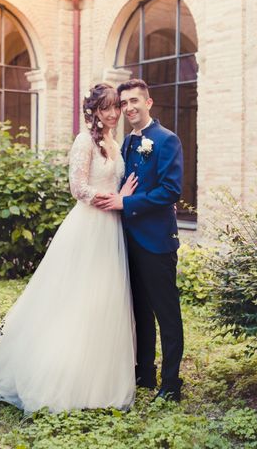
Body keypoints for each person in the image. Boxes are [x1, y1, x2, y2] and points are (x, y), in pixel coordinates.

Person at [0, 83, 139, 414]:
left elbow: (113, 181)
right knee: (75, 297)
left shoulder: (115, 143)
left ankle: (98, 375)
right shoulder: (84, 141)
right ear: (93, 110)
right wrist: (108, 200)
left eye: (116, 107)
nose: (113, 113)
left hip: (111, 229)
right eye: (106, 107)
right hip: (89, 224)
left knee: (104, 298)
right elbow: (77, 187)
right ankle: (59, 373)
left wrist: (127, 192)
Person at [94, 78, 185, 402]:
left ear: (148, 102)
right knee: (139, 311)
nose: (129, 107)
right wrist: (119, 200)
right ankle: (144, 372)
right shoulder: (128, 143)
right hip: (128, 239)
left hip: (157, 241)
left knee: (166, 313)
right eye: (124, 103)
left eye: (135, 101)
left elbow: (170, 191)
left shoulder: (166, 140)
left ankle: (171, 384)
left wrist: (125, 203)